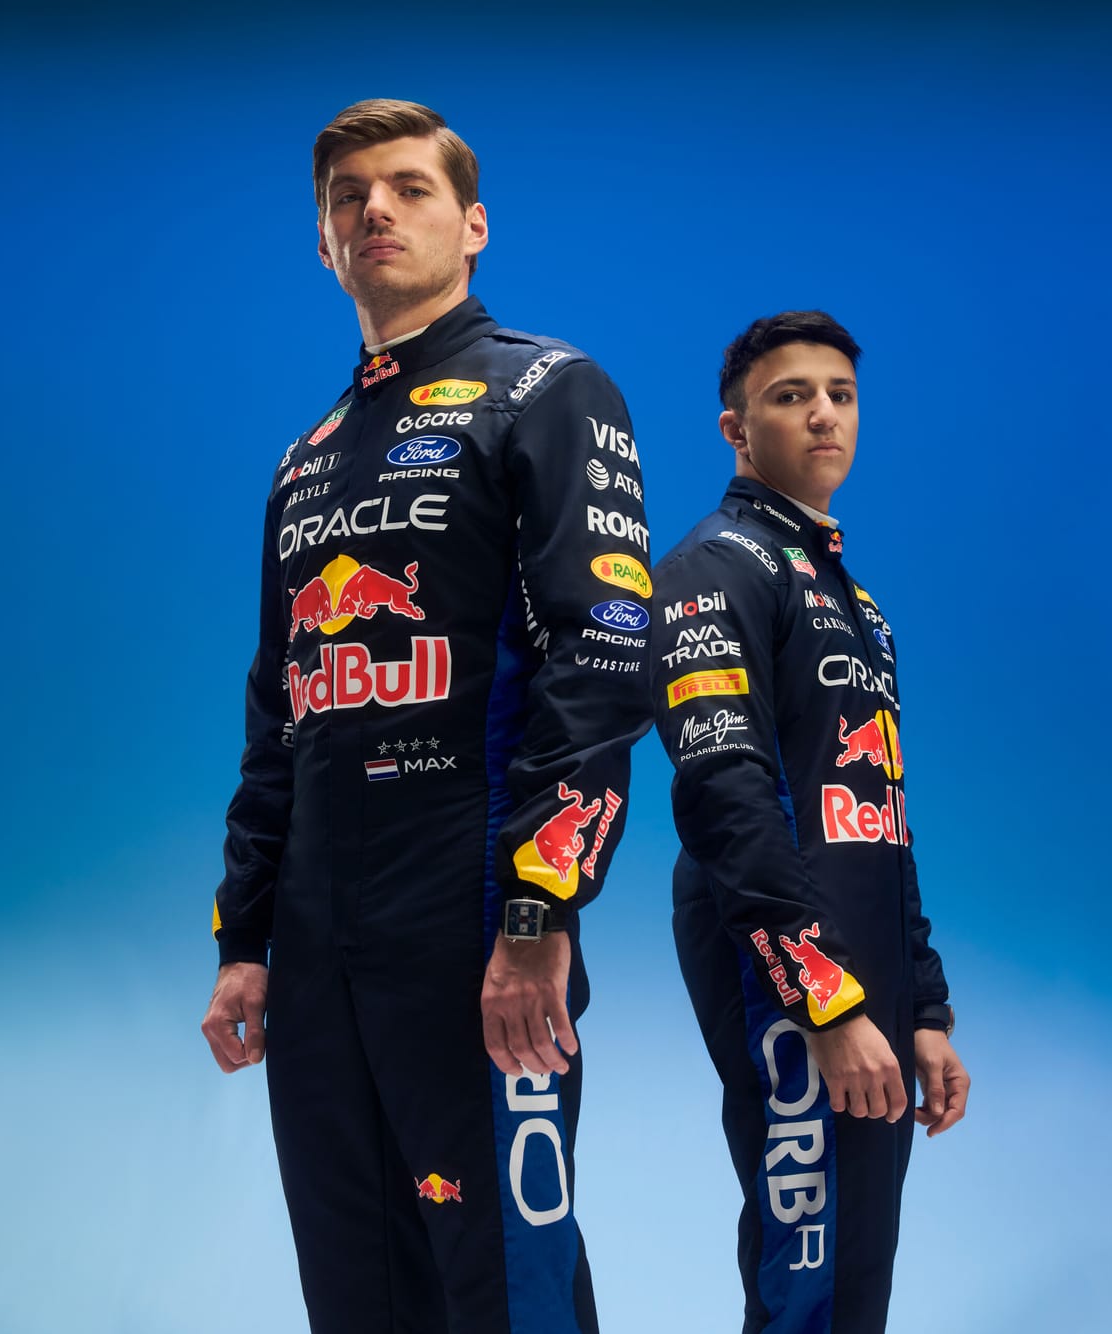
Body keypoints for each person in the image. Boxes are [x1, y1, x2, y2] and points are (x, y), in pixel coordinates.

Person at [198, 98, 651, 1333]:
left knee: (504, 1274)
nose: (375, 212)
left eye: (407, 187)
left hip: (468, 906)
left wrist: (536, 911)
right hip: (316, 933)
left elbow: (603, 655)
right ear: (323, 242)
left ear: (473, 223)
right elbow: (277, 712)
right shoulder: (306, 456)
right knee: (357, 1283)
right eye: (347, 198)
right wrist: (246, 935)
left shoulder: (547, 388)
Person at [648, 311, 970, 1333]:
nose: (823, 413)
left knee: (853, 1265)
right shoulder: (713, 566)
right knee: (809, 1265)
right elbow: (723, 794)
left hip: (863, 960)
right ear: (736, 430)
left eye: (840, 394)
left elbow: (881, 814)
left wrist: (922, 1008)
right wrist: (822, 1000)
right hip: (782, 964)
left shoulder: (856, 603)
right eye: (791, 396)